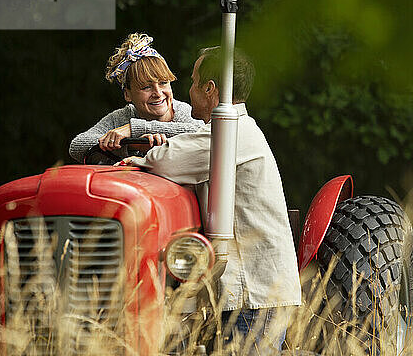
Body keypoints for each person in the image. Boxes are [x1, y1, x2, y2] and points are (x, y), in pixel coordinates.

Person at [119, 47, 301, 353]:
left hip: (254, 293)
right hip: (249, 293)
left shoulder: (230, 134)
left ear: (209, 89)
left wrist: (139, 159)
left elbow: (167, 160)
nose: (188, 91)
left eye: (192, 82)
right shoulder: (231, 132)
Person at [69, 33, 204, 163]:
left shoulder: (183, 112)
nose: (158, 93)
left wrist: (134, 129)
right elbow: (77, 145)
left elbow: (200, 132)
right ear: (127, 94)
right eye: (146, 87)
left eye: (163, 83)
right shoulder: (122, 117)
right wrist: (133, 144)